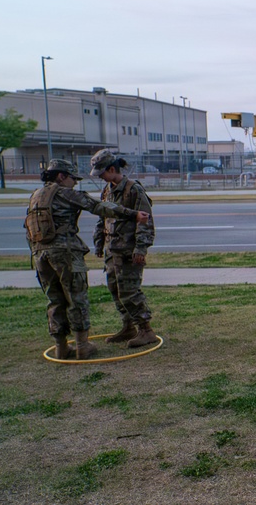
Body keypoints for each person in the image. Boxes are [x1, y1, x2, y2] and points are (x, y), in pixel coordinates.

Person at [26, 159, 150, 360]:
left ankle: (61, 347)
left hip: (40, 254)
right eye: (73, 178)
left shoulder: (36, 195)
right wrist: (134, 214)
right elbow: (98, 207)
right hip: (65, 253)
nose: (75, 183)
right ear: (61, 176)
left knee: (55, 300)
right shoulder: (65, 193)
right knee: (76, 298)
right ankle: (82, 345)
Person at [90, 149, 158, 348]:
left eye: (102, 173)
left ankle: (146, 330)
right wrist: (99, 242)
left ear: (112, 169)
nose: (101, 177)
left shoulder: (133, 189)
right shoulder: (107, 190)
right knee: (115, 289)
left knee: (130, 291)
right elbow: (103, 218)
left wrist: (141, 249)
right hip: (112, 251)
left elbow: (145, 221)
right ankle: (128, 326)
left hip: (129, 251)